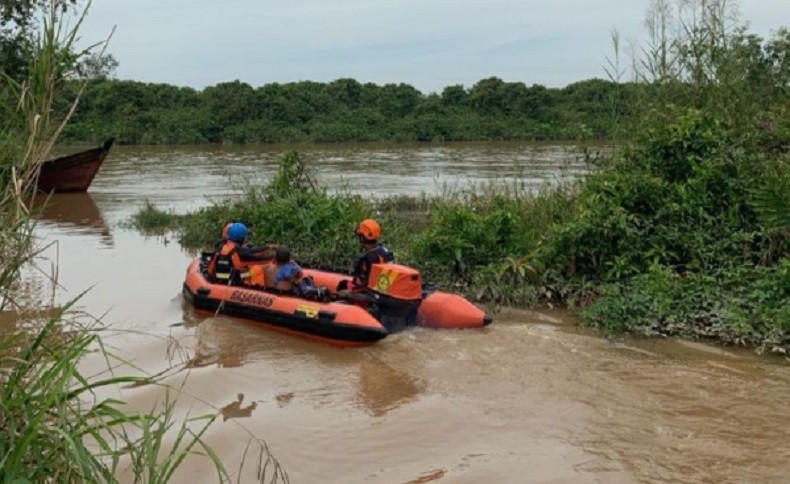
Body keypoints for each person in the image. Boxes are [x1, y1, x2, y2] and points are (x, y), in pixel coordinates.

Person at [338, 219, 394, 297]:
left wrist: (350, 292)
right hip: (383, 291)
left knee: (341, 288)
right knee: (343, 284)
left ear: (362, 238)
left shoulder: (371, 258)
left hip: (371, 295)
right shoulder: (384, 251)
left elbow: (370, 284)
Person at [207, 223, 272, 284]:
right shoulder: (239, 252)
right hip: (234, 281)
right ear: (241, 239)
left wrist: (268, 248)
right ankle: (257, 289)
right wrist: (274, 257)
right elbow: (263, 260)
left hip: (218, 281)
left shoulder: (220, 248)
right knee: (257, 270)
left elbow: (210, 269)